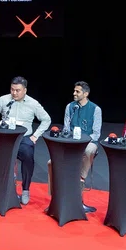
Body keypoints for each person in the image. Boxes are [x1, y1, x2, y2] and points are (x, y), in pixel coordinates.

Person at [0, 76, 51, 205]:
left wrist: (35, 136)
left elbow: (46, 119)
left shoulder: (33, 103)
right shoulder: (4, 100)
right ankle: (1, 186)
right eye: (12, 89)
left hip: (24, 137)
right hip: (5, 136)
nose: (14, 93)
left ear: (25, 90)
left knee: (28, 155)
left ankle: (25, 189)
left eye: (18, 90)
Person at [46, 81, 101, 213]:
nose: (74, 93)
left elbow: (96, 133)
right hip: (71, 144)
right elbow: (66, 128)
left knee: (89, 150)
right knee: (50, 163)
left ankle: (81, 179)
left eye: (77, 91)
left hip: (88, 143)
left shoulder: (95, 109)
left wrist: (83, 142)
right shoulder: (70, 107)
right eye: (74, 91)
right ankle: (55, 198)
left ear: (86, 94)